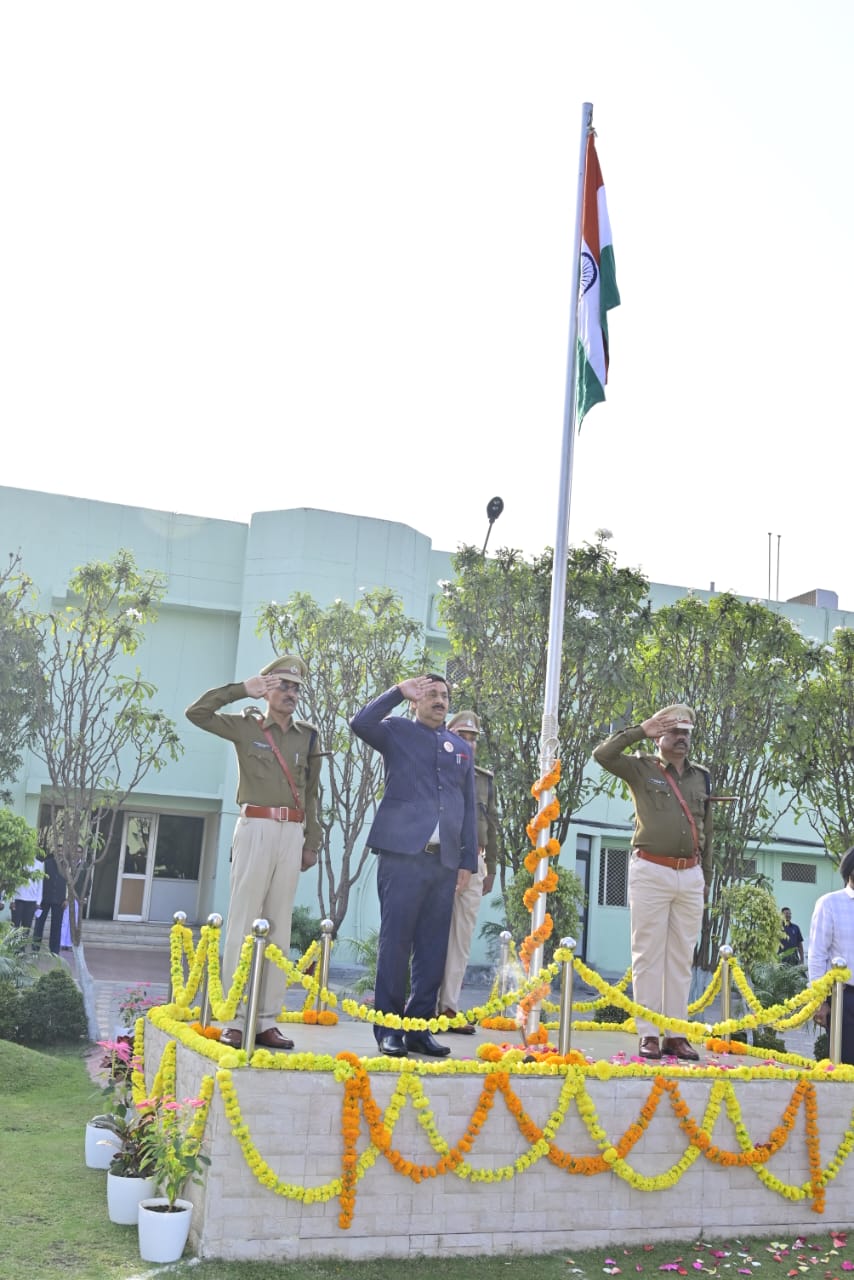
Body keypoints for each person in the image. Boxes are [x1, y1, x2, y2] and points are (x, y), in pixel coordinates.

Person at [186, 655, 323, 1051]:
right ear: (266, 688)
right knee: (244, 922)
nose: (291, 694)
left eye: (296, 688)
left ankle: (265, 1021)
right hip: (255, 826)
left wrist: (311, 840)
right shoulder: (246, 726)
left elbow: (312, 792)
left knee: (278, 925)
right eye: (283, 685)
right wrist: (240, 690)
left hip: (292, 830)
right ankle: (233, 1017)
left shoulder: (308, 736)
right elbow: (197, 713)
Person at [350, 674, 478, 1058]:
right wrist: (396, 692)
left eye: (445, 694)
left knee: (433, 949)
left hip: (444, 862)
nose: (440, 700)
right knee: (396, 944)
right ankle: (389, 1028)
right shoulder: (397, 731)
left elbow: (468, 805)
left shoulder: (460, 747)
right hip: (402, 856)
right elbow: (360, 724)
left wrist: (466, 861)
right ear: (415, 702)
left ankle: (419, 1029)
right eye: (431, 694)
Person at [593, 703, 713, 1061]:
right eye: (675, 731)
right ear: (660, 734)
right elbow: (603, 754)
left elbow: (707, 828)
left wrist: (704, 873)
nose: (682, 739)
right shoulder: (642, 767)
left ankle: (676, 1034)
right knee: (647, 954)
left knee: (680, 958)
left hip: (689, 873)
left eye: (686, 732)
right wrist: (640, 730)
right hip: (651, 869)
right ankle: (648, 1032)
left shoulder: (701, 776)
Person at [436, 709, 499, 1033]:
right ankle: (423, 1003)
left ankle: (448, 1006)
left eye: (473, 739)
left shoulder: (484, 779)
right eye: (463, 736)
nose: (470, 744)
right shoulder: (437, 770)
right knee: (432, 934)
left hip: (475, 862)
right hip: (441, 860)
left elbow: (493, 823)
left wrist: (492, 868)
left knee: (461, 939)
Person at [808, 846, 854, 1063]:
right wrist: (820, 1002)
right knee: (845, 1062)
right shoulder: (830, 904)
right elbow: (817, 955)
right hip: (842, 998)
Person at [32, 853, 67, 955]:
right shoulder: (45, 864)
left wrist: (67, 899)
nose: (60, 852)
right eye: (58, 849)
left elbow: (70, 883)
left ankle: (54, 951)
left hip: (60, 900)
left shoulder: (67, 865)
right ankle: (35, 947)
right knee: (39, 924)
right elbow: (39, 880)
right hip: (44, 898)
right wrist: (38, 899)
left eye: (62, 850)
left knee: (57, 926)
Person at [10, 857, 43, 932]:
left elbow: (40, 884)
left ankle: (23, 944)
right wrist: (11, 900)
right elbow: (11, 882)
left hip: (31, 900)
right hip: (17, 899)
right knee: (15, 926)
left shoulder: (39, 864)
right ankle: (14, 944)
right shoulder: (18, 862)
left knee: (26, 927)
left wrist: (38, 902)